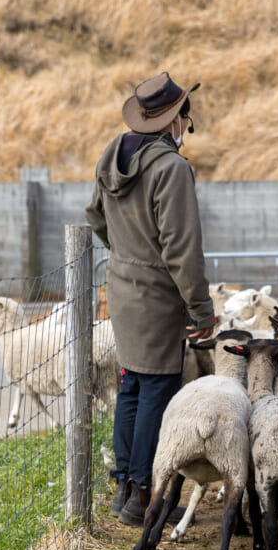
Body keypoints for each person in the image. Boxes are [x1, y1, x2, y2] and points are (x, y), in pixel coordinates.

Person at [86, 72, 217, 526]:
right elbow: (182, 249)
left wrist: (127, 252)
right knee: (157, 390)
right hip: (158, 296)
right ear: (175, 119)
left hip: (121, 287)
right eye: (186, 114)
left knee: (131, 387)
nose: (188, 120)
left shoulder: (113, 154)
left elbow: (94, 217)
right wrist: (201, 310)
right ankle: (145, 497)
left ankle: (124, 488)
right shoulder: (171, 169)